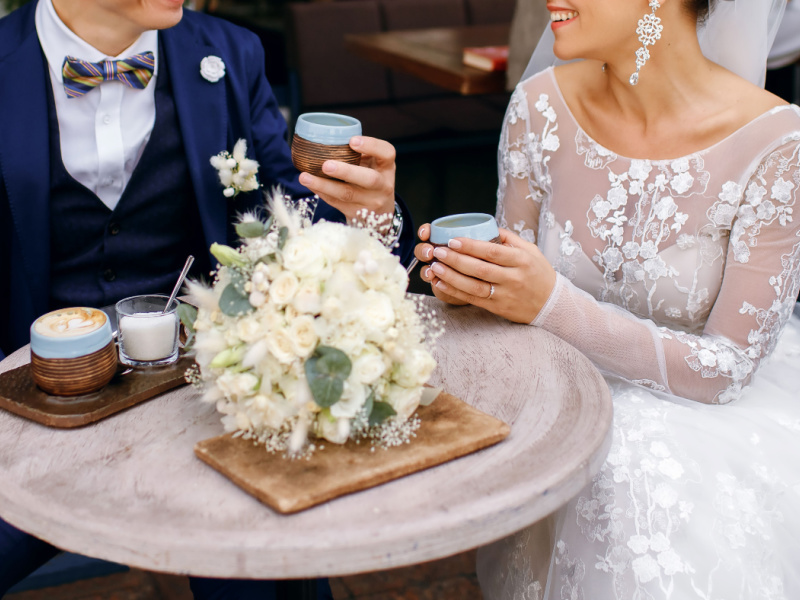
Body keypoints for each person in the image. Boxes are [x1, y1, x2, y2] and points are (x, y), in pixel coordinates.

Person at [0, 0, 414, 596]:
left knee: (270, 568)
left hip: (200, 394)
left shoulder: (229, 53)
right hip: (35, 406)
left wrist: (371, 214)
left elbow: (284, 215)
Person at [415, 0, 800, 597]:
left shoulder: (777, 144)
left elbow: (727, 368)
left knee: (627, 463)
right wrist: (470, 278)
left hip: (700, 413)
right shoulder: (538, 107)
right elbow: (507, 297)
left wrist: (550, 303)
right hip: (554, 384)